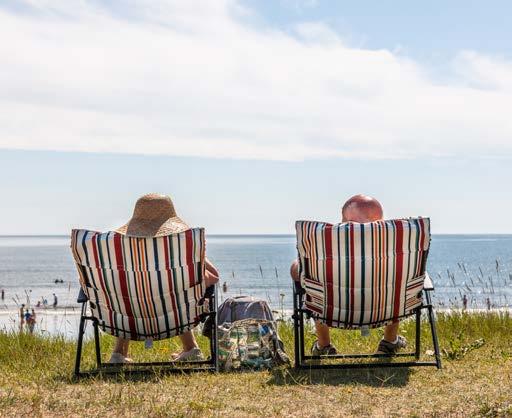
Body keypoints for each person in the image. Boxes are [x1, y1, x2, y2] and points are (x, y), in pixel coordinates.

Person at [290, 194, 407, 356]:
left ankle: (324, 346)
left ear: (346, 220)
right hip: (382, 309)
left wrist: (299, 266)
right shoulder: (394, 246)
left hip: (335, 311)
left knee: (313, 280)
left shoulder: (325, 246)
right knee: (400, 277)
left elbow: (296, 272)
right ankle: (389, 342)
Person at [109, 193, 220, 364]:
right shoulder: (181, 249)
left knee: (128, 294)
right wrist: (199, 256)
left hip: (128, 311)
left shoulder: (119, 250)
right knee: (178, 293)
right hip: (173, 314)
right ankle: (191, 348)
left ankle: (118, 354)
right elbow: (214, 277)